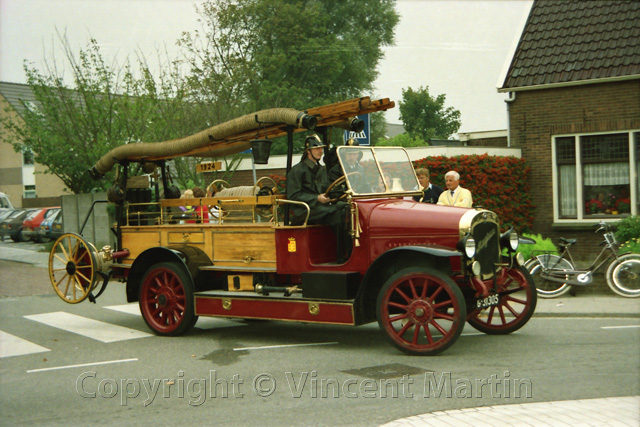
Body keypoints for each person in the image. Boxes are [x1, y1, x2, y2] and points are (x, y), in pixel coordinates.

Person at [286, 133, 350, 262]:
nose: (321, 151)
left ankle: (347, 252)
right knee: (337, 214)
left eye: (321, 148)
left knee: (347, 208)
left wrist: (344, 193)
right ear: (308, 151)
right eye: (317, 148)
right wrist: (316, 198)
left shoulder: (321, 170)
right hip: (304, 211)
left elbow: (328, 189)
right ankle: (342, 257)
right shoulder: (297, 170)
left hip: (320, 208)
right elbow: (293, 195)